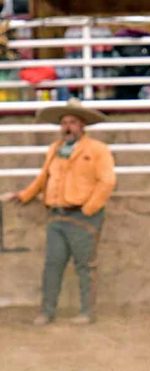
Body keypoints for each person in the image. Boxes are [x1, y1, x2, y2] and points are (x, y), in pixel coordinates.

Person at [0, 99, 115, 325]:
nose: (67, 127)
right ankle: (47, 311)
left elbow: (107, 181)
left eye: (72, 122)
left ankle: (87, 311)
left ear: (82, 125)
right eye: (64, 123)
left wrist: (89, 208)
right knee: (53, 264)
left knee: (85, 266)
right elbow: (43, 178)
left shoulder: (97, 150)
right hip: (56, 214)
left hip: (83, 216)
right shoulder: (54, 150)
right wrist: (23, 195)